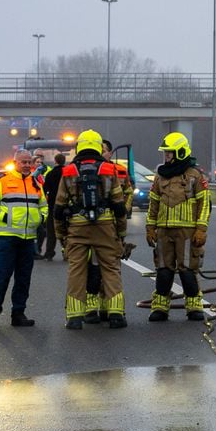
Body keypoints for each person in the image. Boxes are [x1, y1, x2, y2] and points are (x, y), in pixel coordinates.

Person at [54, 130, 129, 330]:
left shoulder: (68, 171)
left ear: (79, 147)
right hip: (105, 227)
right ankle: (116, 315)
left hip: (77, 228)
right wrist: (121, 233)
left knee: (76, 271)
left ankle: (74, 317)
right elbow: (119, 206)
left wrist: (61, 235)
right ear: (98, 146)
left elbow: (59, 208)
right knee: (111, 269)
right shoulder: (109, 170)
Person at [146, 132, 211, 322]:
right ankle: (160, 307)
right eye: (165, 152)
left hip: (187, 231)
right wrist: (150, 227)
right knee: (163, 270)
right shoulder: (160, 176)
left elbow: (205, 204)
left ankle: (193, 306)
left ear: (180, 152)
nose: (166, 156)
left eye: (169, 152)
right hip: (164, 231)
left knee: (187, 271)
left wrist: (201, 229)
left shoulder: (195, 175)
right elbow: (153, 203)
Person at [0, 150, 47, 327]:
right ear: (15, 162)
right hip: (7, 237)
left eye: (29, 162)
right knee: (2, 275)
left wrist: (41, 218)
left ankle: (18, 313)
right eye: (23, 162)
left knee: (23, 278)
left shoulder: (36, 183)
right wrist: (4, 217)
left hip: (28, 238)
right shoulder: (2, 181)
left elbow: (44, 206)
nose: (26, 165)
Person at [81, 139, 135, 321]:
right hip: (93, 226)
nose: (101, 153)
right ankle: (91, 306)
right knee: (93, 268)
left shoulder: (119, 171)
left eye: (103, 150)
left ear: (110, 153)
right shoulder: (87, 169)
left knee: (111, 269)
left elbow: (128, 192)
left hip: (112, 226)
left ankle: (108, 306)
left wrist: (123, 211)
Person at [40, 153, 66, 260]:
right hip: (65, 205)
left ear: (55, 161)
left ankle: (49, 252)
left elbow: (45, 189)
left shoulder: (50, 174)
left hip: (52, 205)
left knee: (51, 231)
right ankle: (67, 252)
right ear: (64, 161)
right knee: (65, 230)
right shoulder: (67, 173)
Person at [31, 151, 49, 257]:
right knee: (38, 231)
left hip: (42, 205)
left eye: (40, 162)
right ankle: (35, 251)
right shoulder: (32, 174)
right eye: (37, 162)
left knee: (41, 232)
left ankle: (37, 250)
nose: (39, 164)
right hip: (34, 206)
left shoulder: (41, 175)